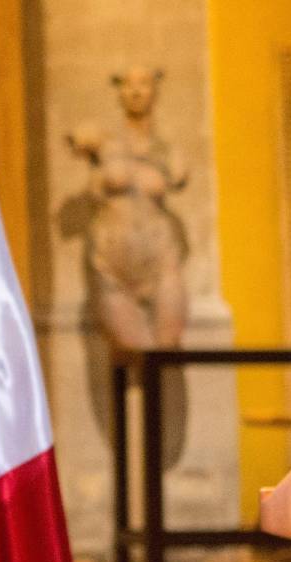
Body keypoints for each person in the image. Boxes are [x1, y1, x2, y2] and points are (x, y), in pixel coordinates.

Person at [67, 65, 189, 351]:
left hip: (160, 257)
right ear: (119, 92)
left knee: (167, 345)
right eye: (128, 85)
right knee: (131, 351)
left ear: (155, 92)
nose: (136, 92)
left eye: (144, 84)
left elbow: (180, 176)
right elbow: (75, 139)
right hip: (113, 260)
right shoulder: (101, 139)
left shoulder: (168, 151)